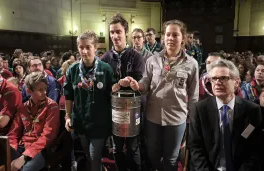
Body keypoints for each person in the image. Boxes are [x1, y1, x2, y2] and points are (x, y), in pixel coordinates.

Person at [127, 19, 199, 171]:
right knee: (152, 153)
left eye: (175, 35)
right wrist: (137, 85)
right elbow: (145, 83)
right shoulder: (152, 60)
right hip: (153, 117)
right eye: (168, 34)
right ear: (163, 37)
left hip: (176, 118)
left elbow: (193, 95)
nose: (171, 38)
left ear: (183, 38)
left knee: (171, 158)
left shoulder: (191, 64)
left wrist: (191, 120)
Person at [188, 58, 262, 171]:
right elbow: (195, 148)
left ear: (237, 82)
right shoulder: (199, 110)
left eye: (223, 78)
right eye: (214, 79)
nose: (217, 82)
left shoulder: (252, 111)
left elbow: (255, 149)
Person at [64, 30, 116, 171]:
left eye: (88, 47)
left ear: (95, 47)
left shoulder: (105, 69)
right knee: (88, 154)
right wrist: (68, 116)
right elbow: (68, 95)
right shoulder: (72, 70)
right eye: (81, 47)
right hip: (80, 121)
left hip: (99, 123)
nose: (84, 51)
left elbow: (112, 97)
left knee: (94, 155)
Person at [101, 13, 145, 171]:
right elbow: (103, 86)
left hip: (133, 108)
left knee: (133, 147)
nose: (114, 35)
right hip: (114, 109)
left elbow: (142, 83)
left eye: (118, 31)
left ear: (125, 32)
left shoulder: (136, 56)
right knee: (117, 147)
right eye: (112, 32)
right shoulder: (105, 59)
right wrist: (116, 84)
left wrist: (135, 84)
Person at [7, 71, 60, 171]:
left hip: (41, 149)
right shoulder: (23, 107)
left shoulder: (52, 107)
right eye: (40, 90)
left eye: (45, 89)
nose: (44, 92)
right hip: (22, 146)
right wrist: (11, 150)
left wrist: (24, 157)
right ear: (28, 91)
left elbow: (47, 136)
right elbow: (13, 132)